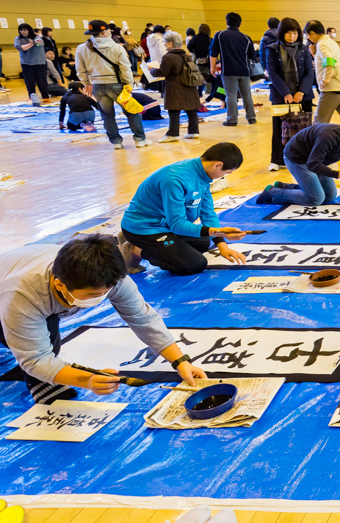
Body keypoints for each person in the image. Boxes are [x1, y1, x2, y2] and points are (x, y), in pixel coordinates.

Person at [0, 236, 208, 404]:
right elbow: (36, 359)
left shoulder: (109, 275)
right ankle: (39, 382)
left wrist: (180, 361)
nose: (100, 297)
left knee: (44, 325)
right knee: (40, 336)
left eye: (105, 292)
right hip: (5, 290)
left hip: (20, 269)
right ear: (60, 284)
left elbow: (142, 317)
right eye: (92, 295)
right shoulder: (23, 295)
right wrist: (87, 380)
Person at [119, 143, 247, 275]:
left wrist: (222, 243)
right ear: (217, 165)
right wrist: (217, 231)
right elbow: (177, 225)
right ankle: (135, 249)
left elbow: (208, 213)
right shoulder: (174, 179)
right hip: (144, 229)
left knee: (203, 241)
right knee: (194, 264)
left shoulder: (201, 173)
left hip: (164, 224)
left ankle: (142, 243)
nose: (224, 176)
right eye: (227, 172)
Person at [257, 115, 340, 207]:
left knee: (330, 196)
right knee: (315, 199)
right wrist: (338, 175)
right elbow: (312, 165)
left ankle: (284, 186)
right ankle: (272, 191)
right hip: (297, 158)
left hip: (317, 162)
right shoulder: (329, 136)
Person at [75, 20, 148, 149]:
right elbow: (125, 68)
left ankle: (116, 143)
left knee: (107, 116)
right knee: (131, 112)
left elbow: (80, 69)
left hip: (97, 85)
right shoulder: (117, 47)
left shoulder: (81, 48)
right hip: (117, 85)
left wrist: (86, 83)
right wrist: (129, 84)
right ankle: (140, 139)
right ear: (104, 32)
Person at [264, 17, 316, 171]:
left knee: (304, 127)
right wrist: (286, 93)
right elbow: (272, 73)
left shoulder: (303, 49)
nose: (292, 37)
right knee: (279, 127)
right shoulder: (272, 49)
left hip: (303, 96)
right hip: (281, 96)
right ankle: (277, 160)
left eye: (294, 33)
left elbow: (309, 72)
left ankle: (304, 157)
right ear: (282, 33)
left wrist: (301, 91)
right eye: (288, 33)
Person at [150, 31, 201, 143]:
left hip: (175, 86)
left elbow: (162, 72)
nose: (163, 44)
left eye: (165, 42)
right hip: (189, 85)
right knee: (191, 109)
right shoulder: (186, 55)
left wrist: (151, 70)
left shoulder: (169, 57)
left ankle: (173, 134)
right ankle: (193, 132)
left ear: (170, 43)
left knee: (174, 110)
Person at [210, 12, 259, 127]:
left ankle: (232, 120)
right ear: (240, 24)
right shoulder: (247, 38)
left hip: (229, 71)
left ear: (226, 22)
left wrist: (212, 67)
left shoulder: (220, 35)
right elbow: (252, 56)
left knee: (231, 95)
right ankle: (251, 118)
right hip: (244, 71)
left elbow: (213, 53)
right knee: (246, 95)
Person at [303, 20, 340, 126]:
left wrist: (325, 80)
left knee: (318, 125)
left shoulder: (322, 44)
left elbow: (330, 62)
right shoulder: (331, 42)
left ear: (312, 33)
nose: (308, 38)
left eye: (307, 35)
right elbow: (326, 61)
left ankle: (315, 143)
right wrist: (314, 54)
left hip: (332, 90)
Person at [15, 23, 51, 105]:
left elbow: (39, 44)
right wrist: (31, 44)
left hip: (39, 63)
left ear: (29, 30)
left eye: (25, 30)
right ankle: (32, 97)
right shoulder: (18, 39)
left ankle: (45, 97)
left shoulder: (37, 37)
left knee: (41, 80)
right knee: (29, 81)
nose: (23, 32)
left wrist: (35, 41)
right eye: (21, 30)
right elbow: (20, 48)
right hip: (26, 64)